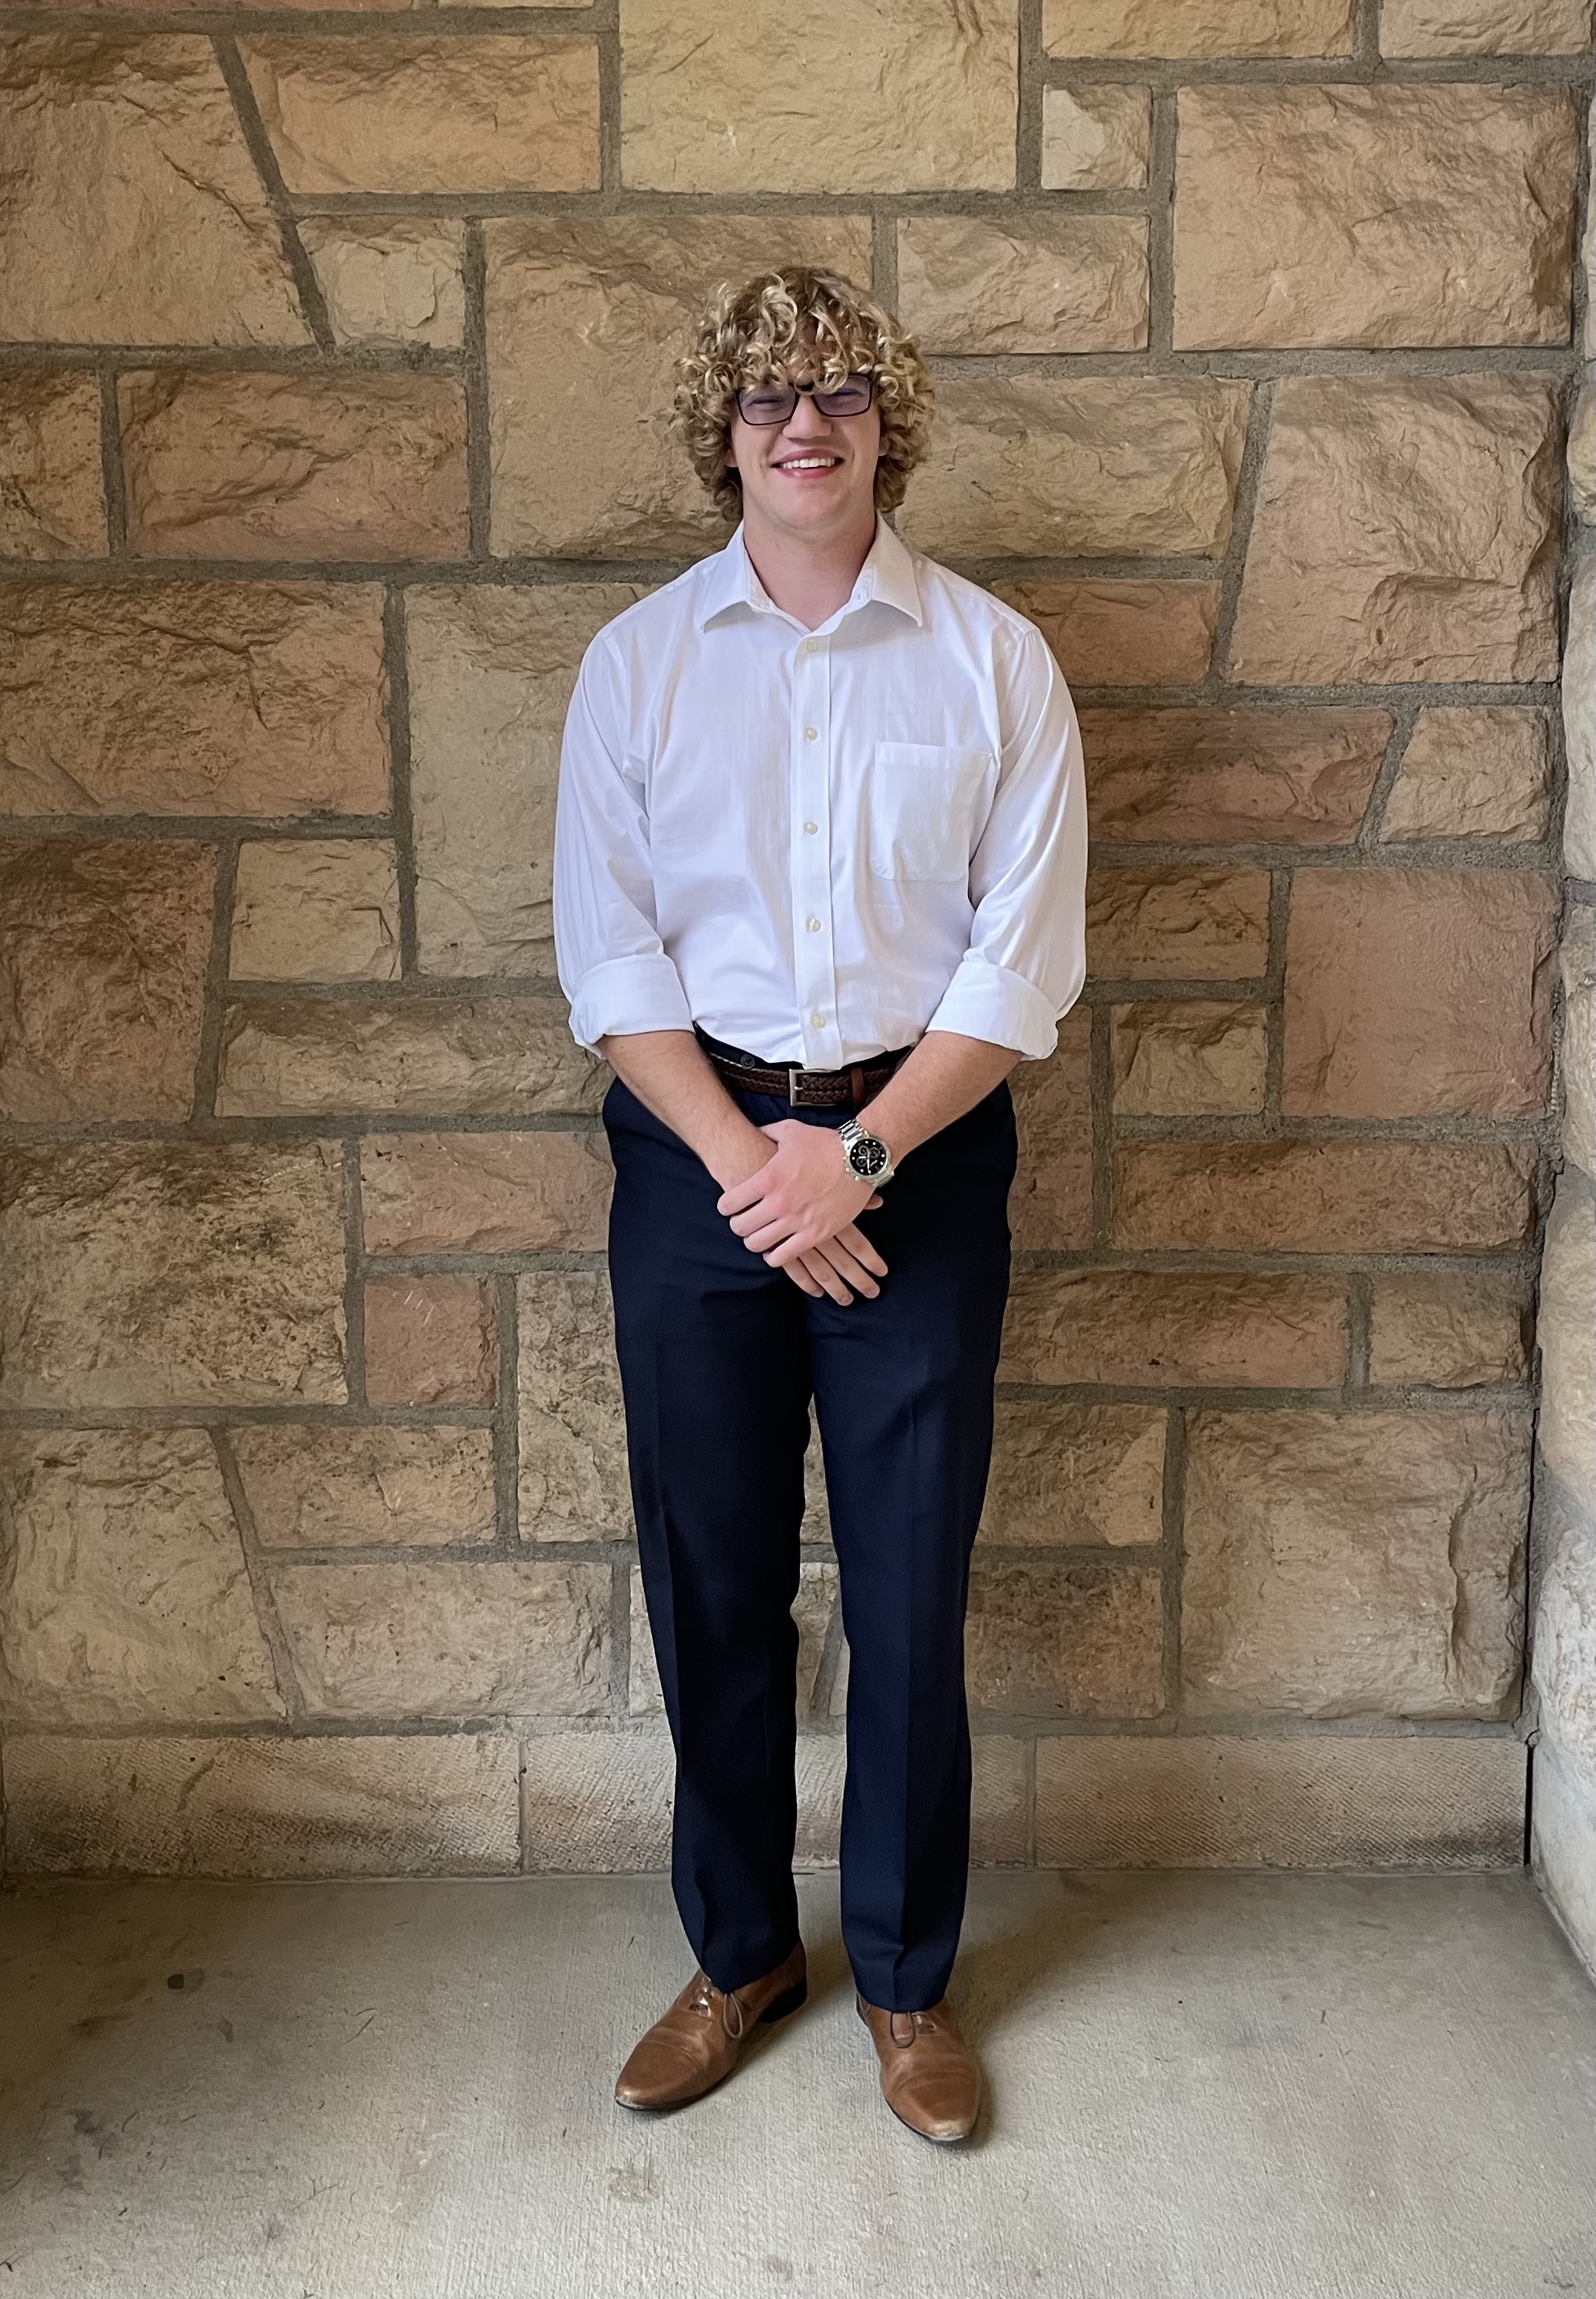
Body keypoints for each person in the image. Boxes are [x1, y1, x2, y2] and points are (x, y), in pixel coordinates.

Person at [551, 266, 1086, 2144]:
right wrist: (751, 1174)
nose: (806, 421)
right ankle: (736, 1957)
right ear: (724, 430)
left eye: (842, 391)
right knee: (711, 1581)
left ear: (886, 424)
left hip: (912, 1170)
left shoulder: (991, 661)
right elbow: (610, 962)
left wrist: (850, 1160)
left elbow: (1017, 969)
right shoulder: (637, 664)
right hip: (698, 1160)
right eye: (770, 393)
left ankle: (910, 1982)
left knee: (910, 1587)